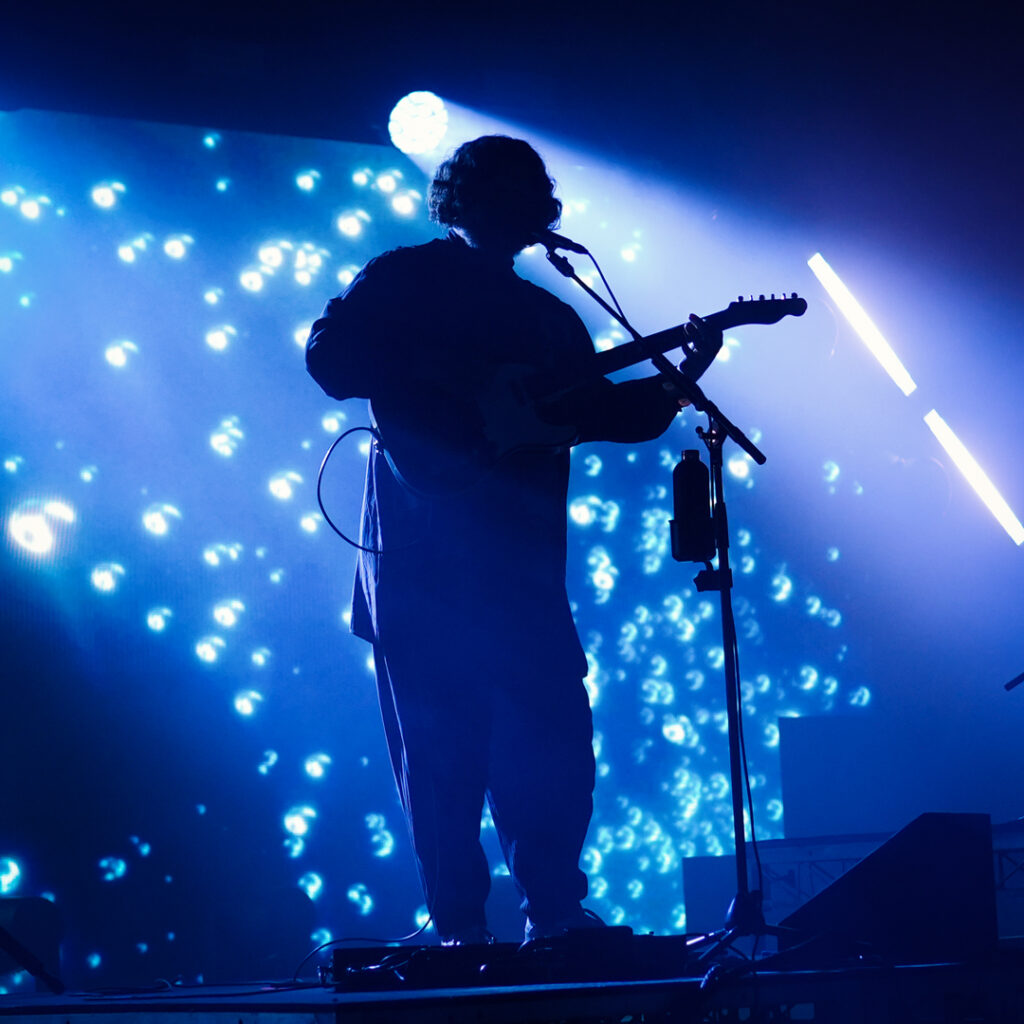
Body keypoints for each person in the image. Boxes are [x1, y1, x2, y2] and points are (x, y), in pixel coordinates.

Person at [306, 135, 690, 945]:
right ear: (467, 199)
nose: (524, 209)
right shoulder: (404, 277)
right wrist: (447, 375)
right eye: (506, 193)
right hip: (422, 562)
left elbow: (600, 414)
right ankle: (457, 930)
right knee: (443, 754)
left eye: (533, 194)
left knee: (552, 742)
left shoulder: (550, 316)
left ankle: (554, 912)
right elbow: (330, 356)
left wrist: (682, 377)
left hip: (520, 571)